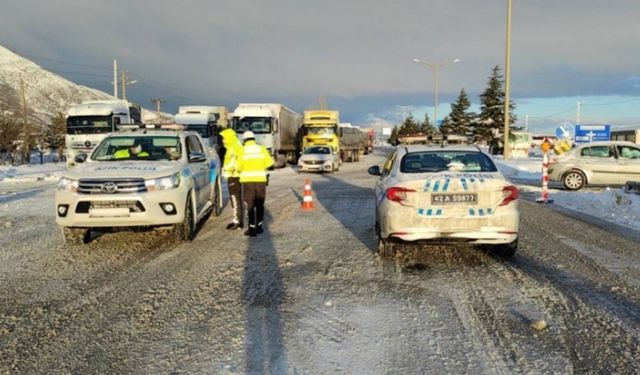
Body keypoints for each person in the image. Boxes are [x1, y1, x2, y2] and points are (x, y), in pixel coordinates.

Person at [236, 130, 273, 236]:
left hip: (248, 182)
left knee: (250, 205)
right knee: (260, 204)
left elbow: (238, 167)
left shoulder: (242, 150)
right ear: (254, 139)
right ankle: (259, 227)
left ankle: (252, 228)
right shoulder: (261, 149)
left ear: (244, 140)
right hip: (261, 181)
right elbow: (270, 162)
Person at [220, 128, 244, 230]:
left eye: (224, 138)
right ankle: (238, 220)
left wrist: (227, 169)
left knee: (235, 199)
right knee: (236, 199)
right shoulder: (233, 147)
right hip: (233, 176)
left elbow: (235, 163)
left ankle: (237, 221)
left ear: (229, 138)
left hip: (235, 176)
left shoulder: (234, 148)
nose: (223, 140)